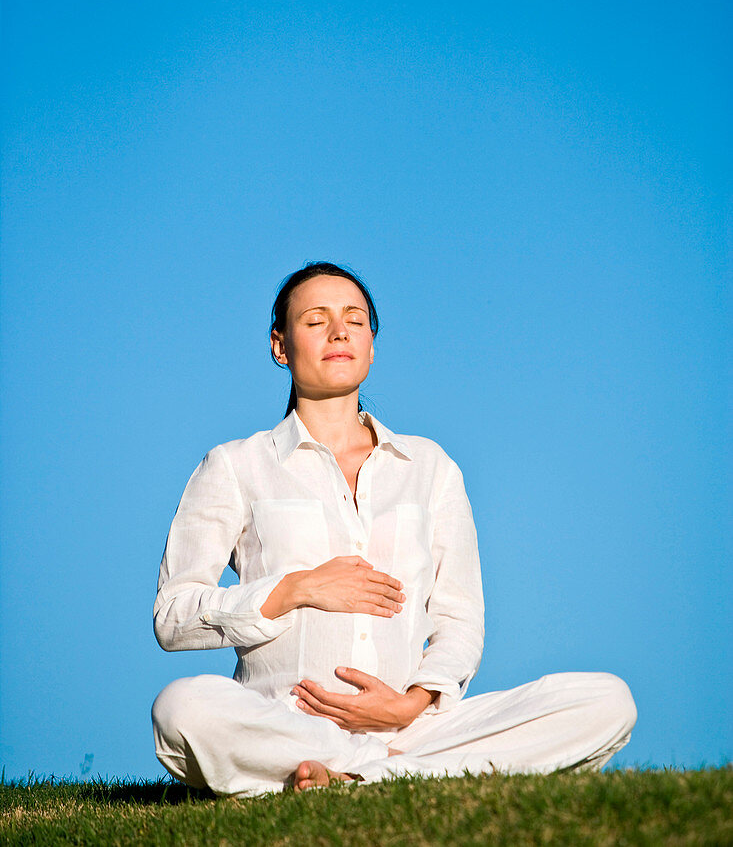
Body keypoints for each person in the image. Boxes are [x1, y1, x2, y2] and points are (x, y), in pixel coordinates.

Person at [151, 261, 637, 797]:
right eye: (315, 320)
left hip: (413, 731)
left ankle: (363, 772)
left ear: (371, 345)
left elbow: (459, 618)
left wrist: (411, 702)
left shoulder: (429, 467)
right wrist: (294, 589)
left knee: (607, 701)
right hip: (285, 724)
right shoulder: (235, 464)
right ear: (280, 346)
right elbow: (174, 616)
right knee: (180, 708)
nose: (338, 331)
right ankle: (362, 769)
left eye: (354, 320)